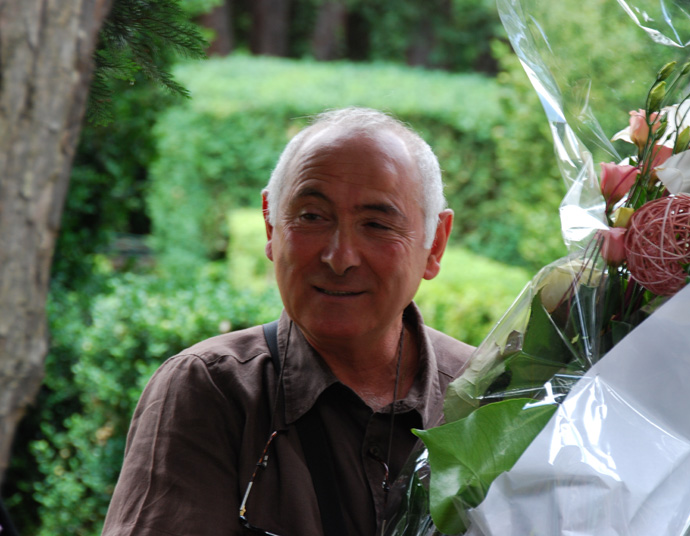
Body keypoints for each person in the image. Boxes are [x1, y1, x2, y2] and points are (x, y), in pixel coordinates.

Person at [101, 107, 474, 536]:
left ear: (435, 244)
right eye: (312, 217)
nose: (339, 258)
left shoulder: (488, 398)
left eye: (376, 224)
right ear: (270, 225)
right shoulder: (212, 390)